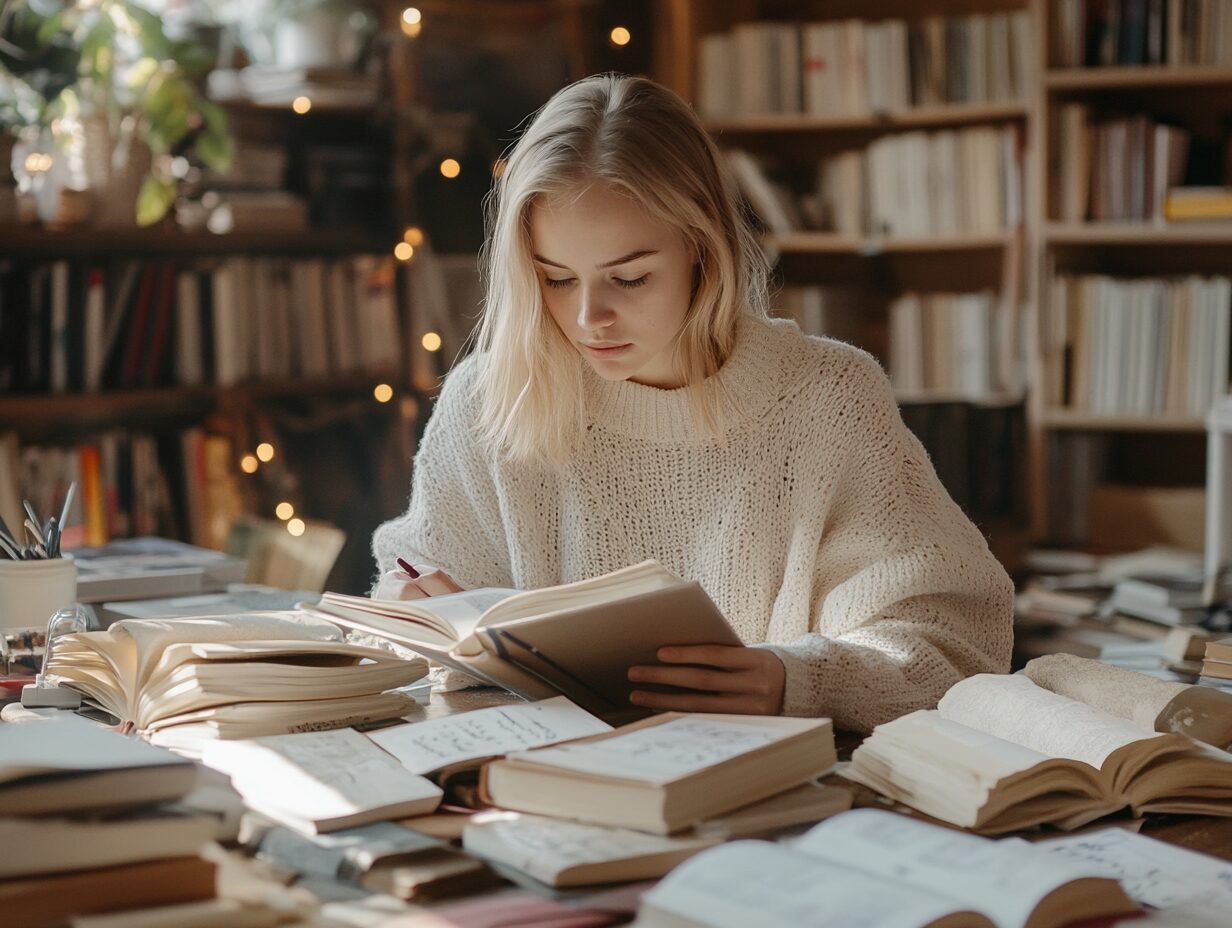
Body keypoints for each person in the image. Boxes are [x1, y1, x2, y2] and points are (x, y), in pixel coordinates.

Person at [371, 73, 1013, 733]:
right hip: (538, 795)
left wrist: (799, 679)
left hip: (771, 800)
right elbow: (402, 626)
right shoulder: (491, 398)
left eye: (630, 277)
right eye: (556, 278)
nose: (590, 316)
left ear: (702, 250)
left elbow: (954, 645)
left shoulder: (828, 398)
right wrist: (409, 619)